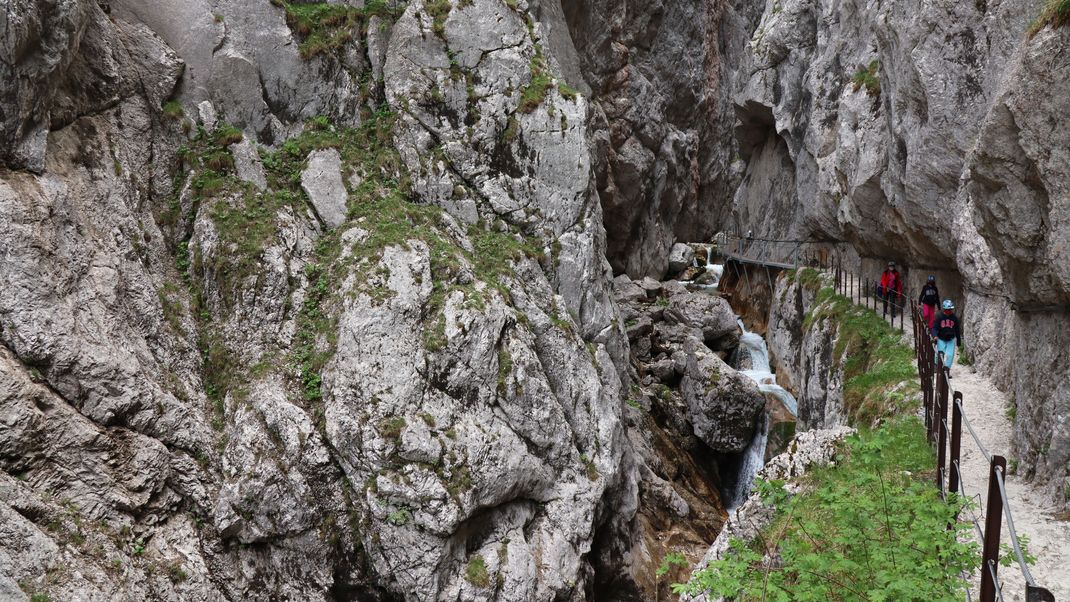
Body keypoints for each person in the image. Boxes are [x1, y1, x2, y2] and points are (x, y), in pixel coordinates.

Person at [931, 299, 963, 374]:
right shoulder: (939, 317)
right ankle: (937, 367)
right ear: (944, 309)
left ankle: (946, 370)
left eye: (951, 309)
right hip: (941, 338)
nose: (950, 311)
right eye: (948, 309)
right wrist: (935, 336)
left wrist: (958, 341)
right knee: (939, 354)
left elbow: (957, 330)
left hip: (951, 339)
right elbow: (934, 328)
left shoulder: (954, 318)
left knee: (950, 355)